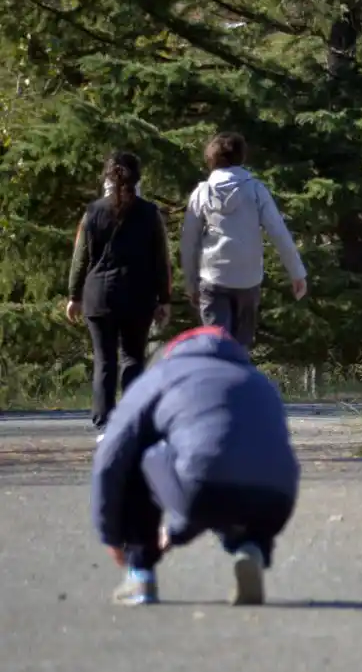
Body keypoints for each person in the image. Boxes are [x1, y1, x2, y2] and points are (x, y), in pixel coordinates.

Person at [90, 325, 301, 606]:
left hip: (204, 486)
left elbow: (111, 456)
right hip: (276, 497)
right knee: (236, 464)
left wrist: (111, 534)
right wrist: (178, 531)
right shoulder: (258, 381)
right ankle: (251, 547)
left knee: (141, 454)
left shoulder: (161, 376)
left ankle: (139, 573)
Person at [67, 152, 172, 439]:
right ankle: (133, 420)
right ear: (138, 179)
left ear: (107, 178)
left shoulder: (93, 211)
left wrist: (74, 295)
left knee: (104, 360)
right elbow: (160, 260)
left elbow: (81, 258)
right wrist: (164, 299)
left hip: (99, 295)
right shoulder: (149, 213)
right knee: (133, 358)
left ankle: (104, 423)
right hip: (138, 295)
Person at [180, 131, 308, 349]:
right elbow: (278, 232)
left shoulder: (201, 193)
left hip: (212, 278)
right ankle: (240, 380)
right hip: (248, 280)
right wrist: (297, 273)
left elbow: (189, 242)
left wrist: (191, 283)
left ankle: (219, 382)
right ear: (242, 157)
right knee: (241, 349)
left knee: (217, 348)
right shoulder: (256, 190)